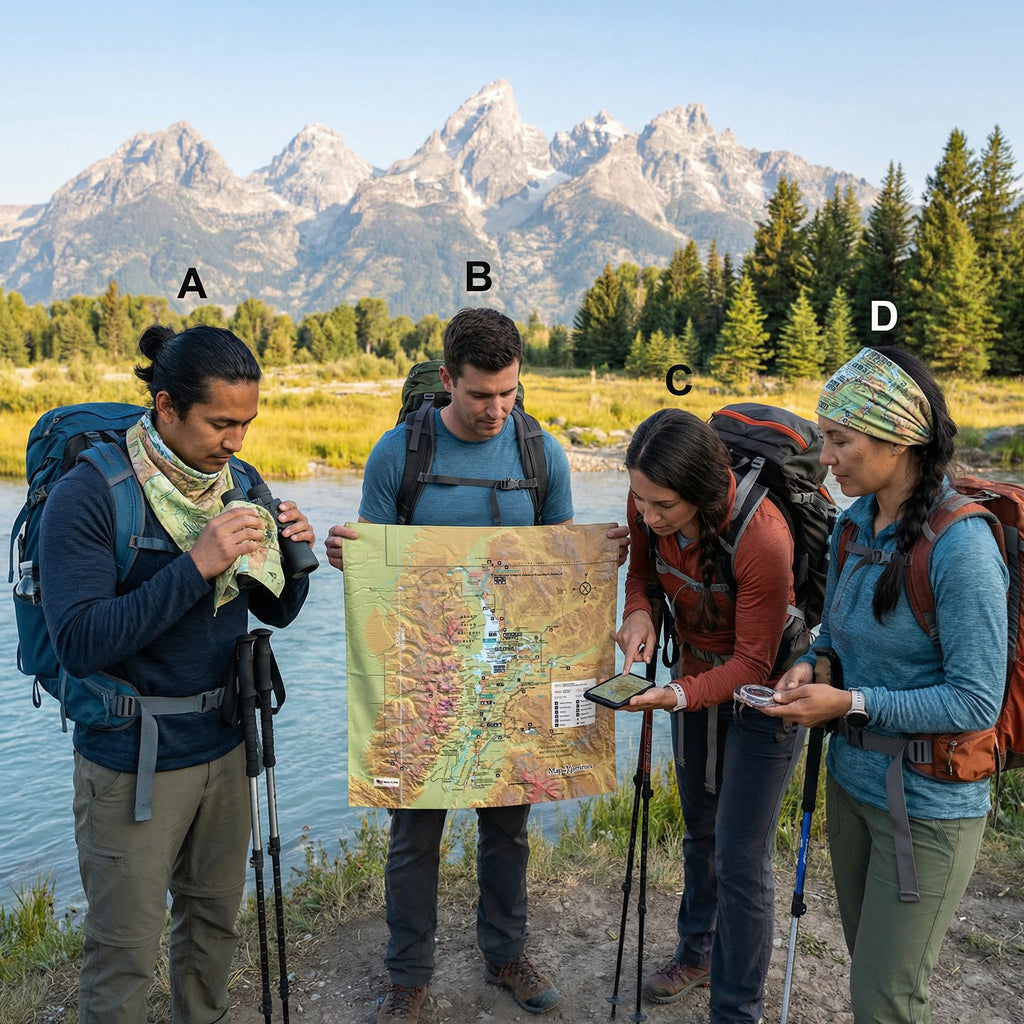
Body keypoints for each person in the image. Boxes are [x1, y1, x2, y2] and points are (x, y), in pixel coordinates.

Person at [326, 306, 627, 1023]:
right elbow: (379, 567)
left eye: (509, 393)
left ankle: (506, 954)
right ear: (448, 381)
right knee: (415, 832)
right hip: (424, 666)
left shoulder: (540, 454)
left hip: (513, 670)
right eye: (480, 395)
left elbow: (558, 567)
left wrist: (595, 559)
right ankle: (408, 976)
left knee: (507, 826)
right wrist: (354, 555)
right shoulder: (399, 454)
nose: (496, 410)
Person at [39, 324, 314, 1024]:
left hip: (224, 747)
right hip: (131, 762)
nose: (237, 441)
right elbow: (79, 641)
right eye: (220, 423)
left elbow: (274, 613)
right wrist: (197, 567)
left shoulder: (237, 484)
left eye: (247, 423)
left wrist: (290, 555)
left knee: (214, 927)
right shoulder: (91, 493)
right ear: (165, 406)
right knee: (124, 951)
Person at [764, 346, 1007, 1024]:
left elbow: (974, 701)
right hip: (851, 786)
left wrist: (849, 702)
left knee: (884, 999)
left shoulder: (962, 548)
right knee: (866, 970)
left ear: (899, 441)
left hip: (928, 806)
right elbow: (835, 635)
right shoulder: (852, 525)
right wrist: (813, 665)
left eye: (839, 440)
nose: (826, 457)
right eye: (824, 438)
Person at [615, 407, 802, 1024]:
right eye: (639, 500)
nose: (647, 516)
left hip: (766, 696)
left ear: (700, 492)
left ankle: (736, 1010)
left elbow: (753, 662)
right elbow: (641, 577)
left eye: (662, 505)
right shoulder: (646, 501)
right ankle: (696, 955)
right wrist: (638, 612)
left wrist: (676, 695)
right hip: (693, 679)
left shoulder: (764, 537)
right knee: (699, 826)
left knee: (741, 857)